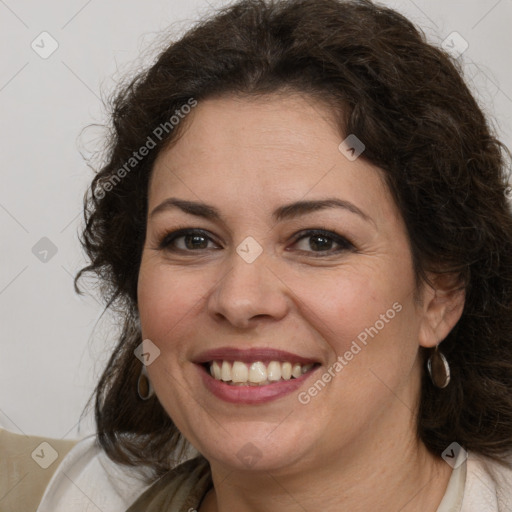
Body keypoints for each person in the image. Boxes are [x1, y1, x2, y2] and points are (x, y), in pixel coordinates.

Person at [2, 0, 512, 510]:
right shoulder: (57, 495)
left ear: (439, 295)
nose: (240, 300)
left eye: (319, 240)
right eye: (192, 239)